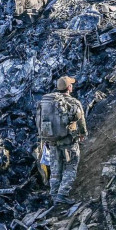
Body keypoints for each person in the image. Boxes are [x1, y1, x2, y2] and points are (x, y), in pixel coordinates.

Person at [36, 75, 87, 205]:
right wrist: (82, 134)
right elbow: (81, 121)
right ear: (69, 87)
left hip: (51, 141)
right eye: (71, 84)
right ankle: (62, 195)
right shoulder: (73, 102)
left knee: (55, 168)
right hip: (68, 141)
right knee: (70, 166)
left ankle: (54, 195)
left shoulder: (48, 101)